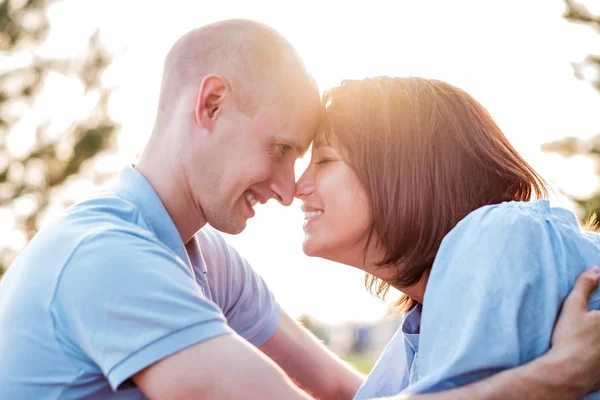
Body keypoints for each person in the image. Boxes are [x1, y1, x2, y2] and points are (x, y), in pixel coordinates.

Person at [0, 19, 598, 400]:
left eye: (317, 159)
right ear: (211, 104)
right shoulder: (108, 258)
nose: (290, 190)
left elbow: (342, 392)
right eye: (282, 149)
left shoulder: (207, 262)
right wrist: (551, 379)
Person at [294, 76, 600, 399]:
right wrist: (561, 373)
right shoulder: (415, 333)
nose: (298, 186)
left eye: (325, 160)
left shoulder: (500, 235)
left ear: (400, 169)